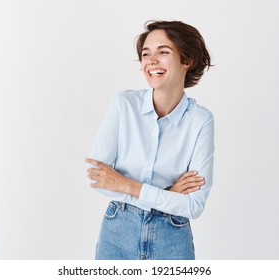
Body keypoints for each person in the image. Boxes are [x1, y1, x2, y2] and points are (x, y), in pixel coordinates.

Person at [85, 20, 214, 260]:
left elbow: (194, 206)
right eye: (146, 54)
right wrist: (169, 194)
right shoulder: (123, 105)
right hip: (117, 234)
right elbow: (100, 179)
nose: (151, 61)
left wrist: (127, 185)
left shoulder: (200, 121)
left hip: (172, 238)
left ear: (187, 61)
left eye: (163, 52)